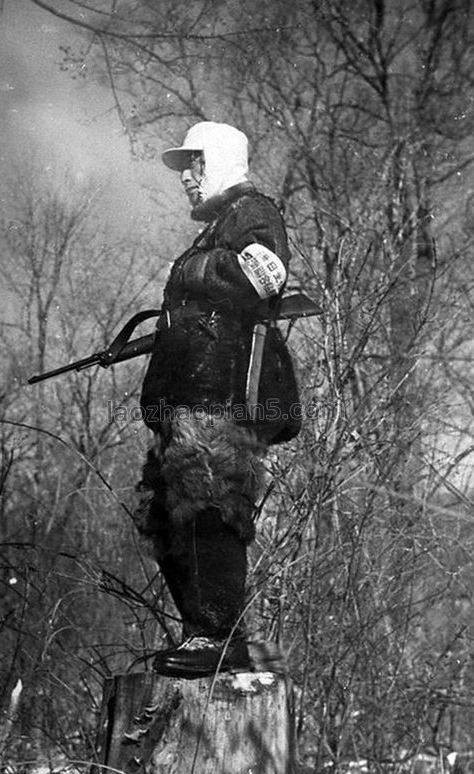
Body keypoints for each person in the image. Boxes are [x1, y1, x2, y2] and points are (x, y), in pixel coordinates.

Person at [135, 121, 300, 677]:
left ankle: (217, 636)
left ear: (223, 160)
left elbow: (266, 273)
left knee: (209, 508)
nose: (186, 177)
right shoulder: (216, 227)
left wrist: (195, 270)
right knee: (166, 515)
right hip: (186, 407)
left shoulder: (252, 211)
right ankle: (204, 634)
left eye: (196, 163)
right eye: (184, 167)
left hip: (218, 400)